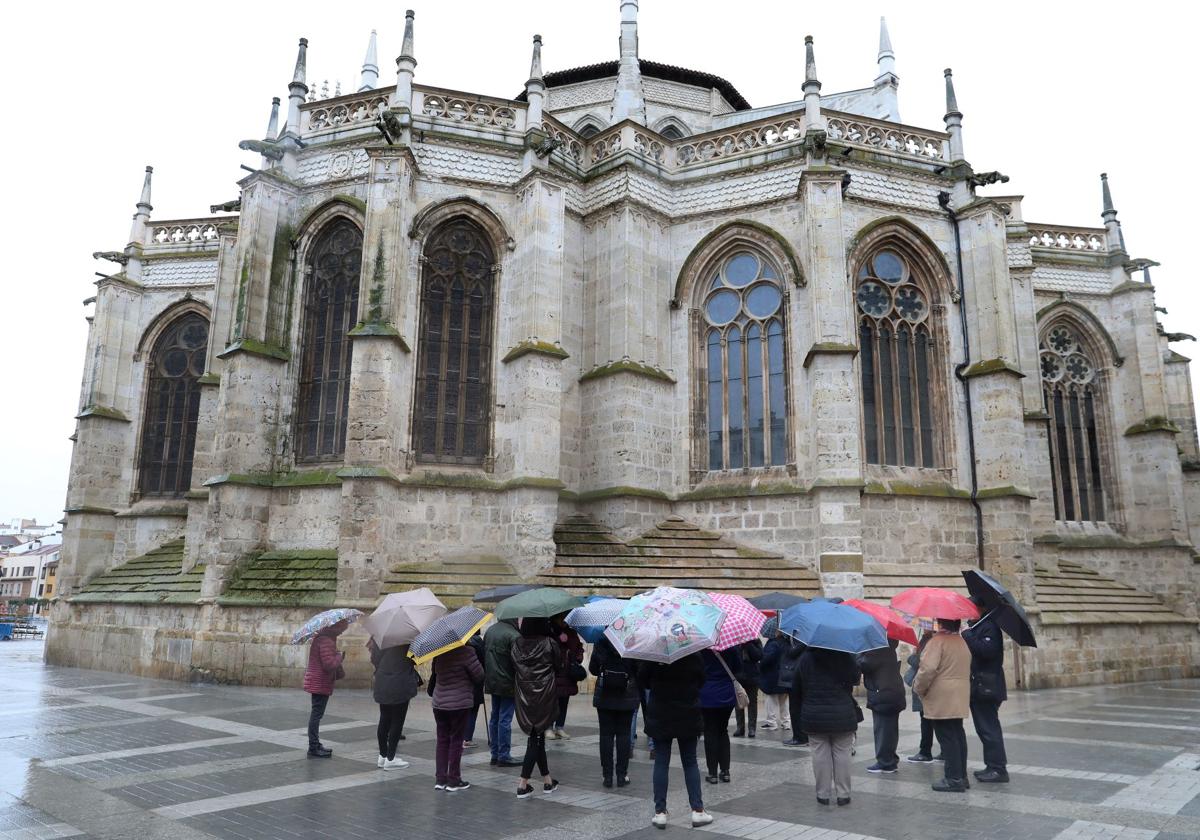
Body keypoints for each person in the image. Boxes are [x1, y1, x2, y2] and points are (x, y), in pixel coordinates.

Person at [639, 653, 714, 829]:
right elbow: (702, 680)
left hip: (660, 713)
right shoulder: (693, 654)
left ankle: (660, 813)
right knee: (690, 762)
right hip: (687, 713)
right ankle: (697, 811)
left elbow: (642, 680)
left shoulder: (652, 655)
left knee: (661, 762)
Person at [913, 618, 972, 792]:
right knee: (958, 735)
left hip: (942, 696)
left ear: (940, 623)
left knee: (947, 738)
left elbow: (927, 669)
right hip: (959, 694)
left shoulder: (937, 642)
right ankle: (961, 776)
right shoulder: (961, 641)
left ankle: (953, 779)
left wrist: (918, 687)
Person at [798, 647, 861, 806]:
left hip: (814, 713)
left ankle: (823, 794)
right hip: (842, 712)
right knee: (843, 753)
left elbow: (799, 682)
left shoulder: (806, 657)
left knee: (819, 754)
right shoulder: (846, 655)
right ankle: (844, 794)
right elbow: (855, 678)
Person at [512, 617, 562, 798]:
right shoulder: (550, 642)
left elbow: (513, 666)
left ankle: (548, 781)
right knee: (536, 737)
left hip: (524, 693)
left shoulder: (516, 643)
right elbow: (559, 666)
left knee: (536, 735)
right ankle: (522, 784)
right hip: (544, 694)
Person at [431, 641, 484, 791]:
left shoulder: (439, 652)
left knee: (442, 740)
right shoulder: (467, 652)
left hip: (439, 702)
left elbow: (435, 674)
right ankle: (454, 779)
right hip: (459, 703)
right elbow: (479, 675)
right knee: (456, 740)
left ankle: (440, 779)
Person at [964, 609, 1009, 783]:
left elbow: (987, 651)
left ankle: (998, 769)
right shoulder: (978, 626)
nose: (968, 614)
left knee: (990, 729)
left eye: (971, 609)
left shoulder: (989, 627)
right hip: (979, 686)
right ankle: (992, 766)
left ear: (980, 610)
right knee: (984, 729)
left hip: (987, 687)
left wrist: (967, 635)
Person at [589, 633, 639, 787]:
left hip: (605, 696)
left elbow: (593, 669)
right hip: (627, 696)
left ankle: (607, 776)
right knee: (624, 735)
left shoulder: (601, 641)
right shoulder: (633, 641)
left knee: (606, 735)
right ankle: (622, 775)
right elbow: (639, 670)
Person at [857, 639, 905, 774]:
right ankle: (890, 759)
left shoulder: (879, 649)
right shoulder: (889, 647)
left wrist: (859, 652)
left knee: (883, 729)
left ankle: (885, 762)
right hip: (891, 692)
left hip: (883, 694)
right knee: (890, 729)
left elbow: (863, 664)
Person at [368, 638, 417, 769]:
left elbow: (374, 659)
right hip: (401, 683)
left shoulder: (381, 638)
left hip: (383, 681)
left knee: (384, 718)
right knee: (397, 721)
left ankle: (383, 756)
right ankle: (391, 758)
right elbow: (415, 659)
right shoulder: (407, 640)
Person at [303, 619, 348, 758]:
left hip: (318, 681)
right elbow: (329, 664)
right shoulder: (326, 641)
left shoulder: (322, 638)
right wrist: (340, 656)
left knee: (317, 714)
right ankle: (313, 746)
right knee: (316, 715)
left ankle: (315, 744)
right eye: (341, 628)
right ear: (335, 627)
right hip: (320, 682)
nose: (342, 631)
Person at [699, 646, 741, 783]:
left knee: (710, 731)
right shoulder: (731, 647)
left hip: (707, 694)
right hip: (726, 694)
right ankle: (725, 771)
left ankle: (712, 773)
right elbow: (738, 668)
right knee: (723, 730)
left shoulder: (702, 649)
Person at [484, 617, 522, 767]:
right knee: (505, 719)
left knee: (495, 717)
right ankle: (504, 756)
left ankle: (495, 754)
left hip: (492, 681)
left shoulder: (490, 631)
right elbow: (519, 662)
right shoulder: (513, 635)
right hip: (508, 682)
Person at [904, 630, 937, 763]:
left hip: (925, 690)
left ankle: (925, 752)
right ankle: (940, 751)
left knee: (926, 723)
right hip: (930, 689)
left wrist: (912, 655)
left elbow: (920, 662)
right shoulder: (932, 640)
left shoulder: (930, 641)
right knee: (931, 722)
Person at [551, 619, 584, 739]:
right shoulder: (551, 632)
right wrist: (558, 637)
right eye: (561, 618)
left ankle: (559, 727)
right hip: (555, 672)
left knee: (564, 702)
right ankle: (549, 728)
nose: (564, 621)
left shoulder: (571, 633)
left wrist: (578, 656)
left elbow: (579, 647)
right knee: (552, 702)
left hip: (568, 673)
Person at [758, 628, 791, 731]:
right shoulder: (788, 643)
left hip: (772, 676)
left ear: (777, 632)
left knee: (771, 700)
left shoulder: (773, 643)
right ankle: (786, 723)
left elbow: (767, 659)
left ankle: (771, 723)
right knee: (784, 701)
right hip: (785, 675)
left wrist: (760, 665)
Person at [733, 638, 762, 738]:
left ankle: (752, 728)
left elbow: (759, 656)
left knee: (752, 703)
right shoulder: (735, 642)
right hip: (739, 677)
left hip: (752, 677)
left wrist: (748, 644)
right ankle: (740, 727)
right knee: (739, 702)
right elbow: (733, 658)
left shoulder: (756, 641)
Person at [782, 638, 809, 746]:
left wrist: (786, 641)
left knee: (795, 709)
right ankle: (803, 736)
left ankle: (800, 737)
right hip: (803, 677)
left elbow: (791, 653)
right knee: (798, 708)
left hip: (797, 678)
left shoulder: (802, 640)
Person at [462, 632, 486, 747]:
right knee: (472, 711)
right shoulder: (477, 643)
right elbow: (483, 662)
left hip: (460, 684)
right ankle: (467, 739)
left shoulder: (456, 643)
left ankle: (460, 737)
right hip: (475, 683)